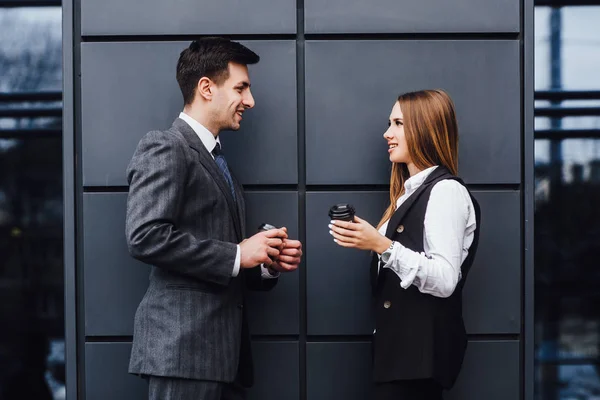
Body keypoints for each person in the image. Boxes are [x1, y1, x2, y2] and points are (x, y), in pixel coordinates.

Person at [125, 37, 302, 400]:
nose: (249, 101)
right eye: (241, 88)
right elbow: (145, 235)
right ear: (206, 87)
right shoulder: (166, 145)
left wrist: (265, 261)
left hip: (223, 358)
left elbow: (229, 260)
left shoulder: (220, 164)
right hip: (183, 354)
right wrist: (238, 254)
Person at [329, 89, 481, 400]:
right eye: (390, 123)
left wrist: (381, 244)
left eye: (398, 123)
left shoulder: (445, 192)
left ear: (425, 129)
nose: (387, 133)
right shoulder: (410, 194)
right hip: (401, 359)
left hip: (418, 362)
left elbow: (445, 279)